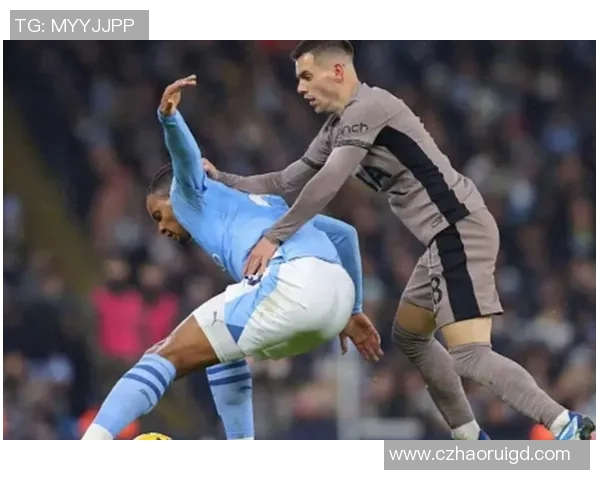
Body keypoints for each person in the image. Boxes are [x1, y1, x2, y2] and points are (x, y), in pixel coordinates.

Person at [205, 41, 595, 441]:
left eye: (306, 76)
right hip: (443, 237)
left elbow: (328, 182)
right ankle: (471, 441)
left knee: (470, 355)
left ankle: (568, 426)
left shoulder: (369, 107)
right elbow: (285, 181)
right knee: (410, 335)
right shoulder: (336, 128)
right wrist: (223, 181)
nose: (300, 88)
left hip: (457, 229)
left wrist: (275, 236)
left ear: (337, 71)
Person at [81, 75, 382, 441]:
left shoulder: (187, 195)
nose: (160, 227)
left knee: (163, 354)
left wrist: (169, 119)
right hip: (335, 299)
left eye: (158, 215)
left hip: (293, 284)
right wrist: (353, 310)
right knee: (221, 349)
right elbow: (345, 235)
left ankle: (90, 446)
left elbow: (185, 158)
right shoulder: (266, 203)